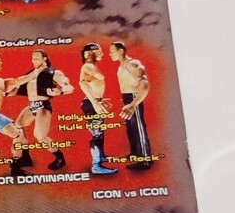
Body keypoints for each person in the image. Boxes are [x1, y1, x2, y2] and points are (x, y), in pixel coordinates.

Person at [10, 49, 74, 170]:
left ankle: (59, 157)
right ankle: (25, 157)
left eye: (37, 57)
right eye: (32, 58)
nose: (33, 60)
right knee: (17, 126)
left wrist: (61, 91)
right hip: (32, 106)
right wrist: (8, 92)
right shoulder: (31, 74)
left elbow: (69, 87)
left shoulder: (53, 72)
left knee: (40, 136)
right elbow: (19, 87)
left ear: (44, 58)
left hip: (43, 106)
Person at [109, 41, 154, 170]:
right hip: (127, 98)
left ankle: (144, 160)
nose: (110, 54)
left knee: (138, 128)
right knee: (131, 128)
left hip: (134, 98)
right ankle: (135, 154)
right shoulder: (121, 66)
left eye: (112, 51)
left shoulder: (132, 64)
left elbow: (144, 84)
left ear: (121, 51)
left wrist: (134, 103)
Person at [78, 43, 117, 175]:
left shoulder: (92, 66)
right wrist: (95, 102)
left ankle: (101, 157)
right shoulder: (88, 66)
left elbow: (93, 84)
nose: (102, 54)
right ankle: (96, 165)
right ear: (91, 52)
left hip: (94, 102)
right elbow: (82, 83)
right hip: (91, 104)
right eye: (99, 51)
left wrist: (99, 100)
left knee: (100, 132)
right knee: (96, 134)